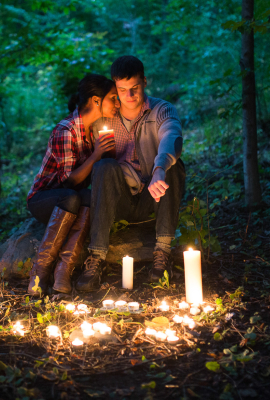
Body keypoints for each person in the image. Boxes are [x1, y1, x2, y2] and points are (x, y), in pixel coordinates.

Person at [76, 56, 185, 293]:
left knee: (174, 165)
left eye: (134, 88)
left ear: (144, 82)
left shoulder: (162, 109)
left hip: (154, 196)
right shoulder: (105, 118)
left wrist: (159, 169)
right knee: (103, 167)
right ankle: (96, 258)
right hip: (120, 202)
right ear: (115, 88)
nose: (129, 96)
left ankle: (162, 252)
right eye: (122, 90)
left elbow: (172, 137)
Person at [26, 74, 120, 295]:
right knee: (72, 196)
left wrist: (108, 152)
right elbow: (69, 180)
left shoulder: (92, 130)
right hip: (44, 199)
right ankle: (39, 275)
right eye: (113, 98)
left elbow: (89, 180)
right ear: (96, 100)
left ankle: (63, 273)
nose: (117, 104)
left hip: (72, 198)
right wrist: (96, 154)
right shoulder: (65, 130)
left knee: (87, 197)